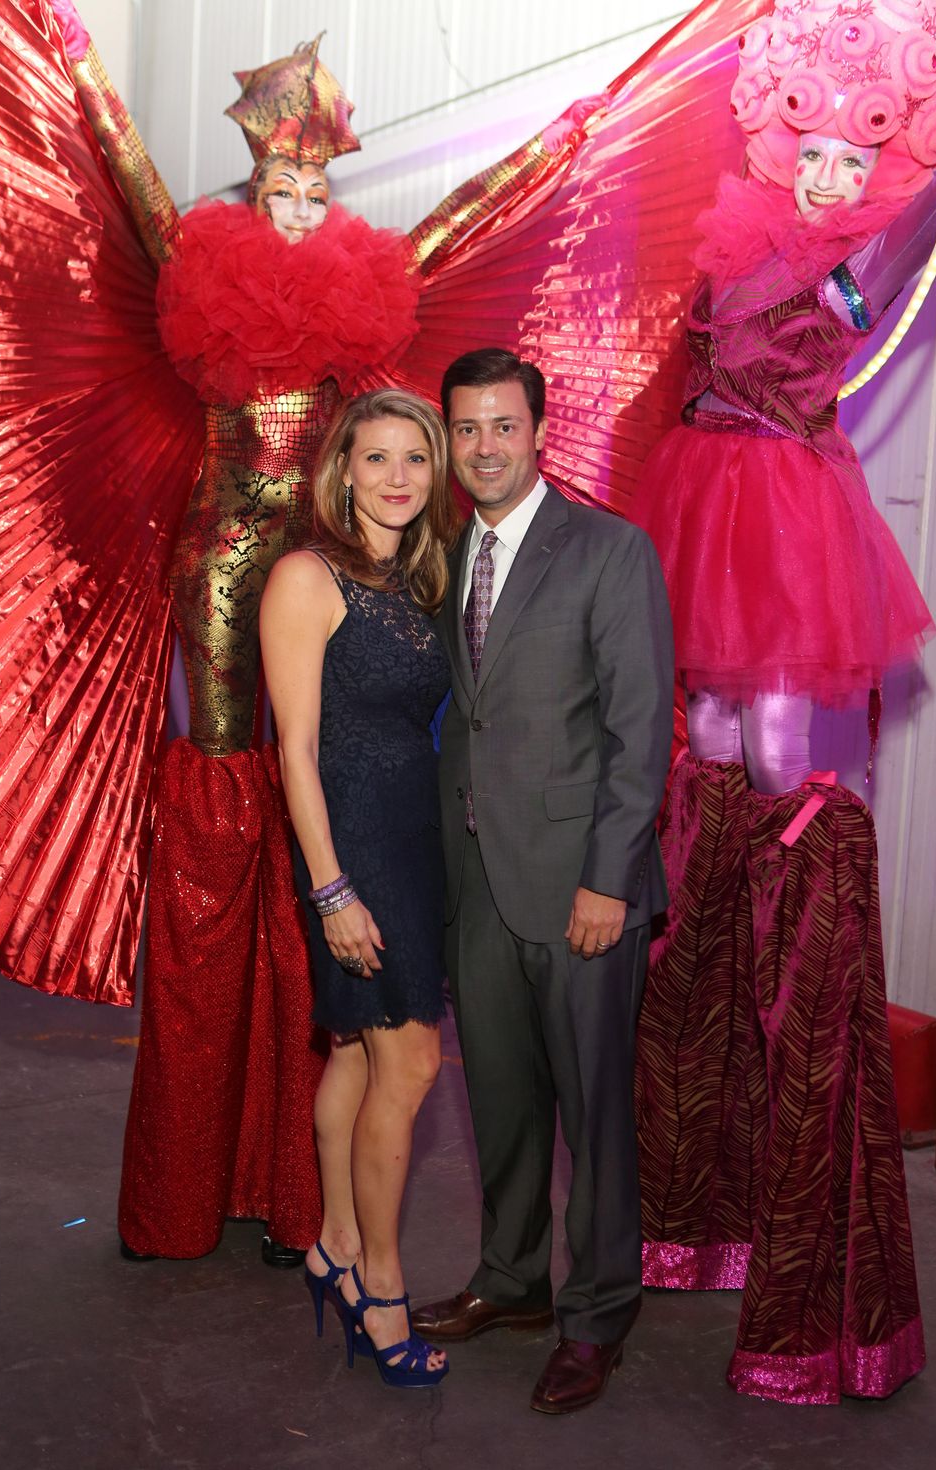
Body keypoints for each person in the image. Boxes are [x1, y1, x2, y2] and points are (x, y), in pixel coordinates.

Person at [42, 0, 588, 1266]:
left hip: (329, 560)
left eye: (315, 189)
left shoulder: (356, 288)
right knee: (229, 791)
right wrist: (75, 53)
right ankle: (211, 1135)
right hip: (223, 562)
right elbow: (129, 180)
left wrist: (558, 141)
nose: (296, 209)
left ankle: (310, 1168)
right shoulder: (205, 264)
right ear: (252, 184)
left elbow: (450, 224)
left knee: (334, 764)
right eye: (278, 189)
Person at [627, 0, 936, 1405]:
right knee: (711, 712)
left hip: (791, 497)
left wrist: (901, 196)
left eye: (848, 164)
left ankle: (774, 831)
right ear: (778, 147)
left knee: (773, 723)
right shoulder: (743, 238)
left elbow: (895, 243)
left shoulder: (848, 259)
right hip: (719, 484)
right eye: (810, 154)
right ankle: (720, 828)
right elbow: (717, 337)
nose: (826, 178)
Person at [411, 348, 674, 1414]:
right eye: (466, 429)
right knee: (501, 1097)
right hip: (477, 881)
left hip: (580, 888)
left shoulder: (609, 550)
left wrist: (609, 880)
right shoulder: (442, 555)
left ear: (539, 431)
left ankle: (597, 1313)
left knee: (593, 1114)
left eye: (502, 426)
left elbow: (639, 730)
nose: (484, 448)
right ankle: (512, 1280)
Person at [259, 388, 460, 1387]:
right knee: (410, 1064)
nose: (395, 477)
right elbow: (293, 749)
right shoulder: (307, 575)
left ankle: (334, 1246)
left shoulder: (421, 576)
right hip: (352, 847)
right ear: (341, 471)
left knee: (353, 1053)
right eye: (375, 457)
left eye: (414, 458)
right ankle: (381, 1285)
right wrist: (331, 891)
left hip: (414, 838)